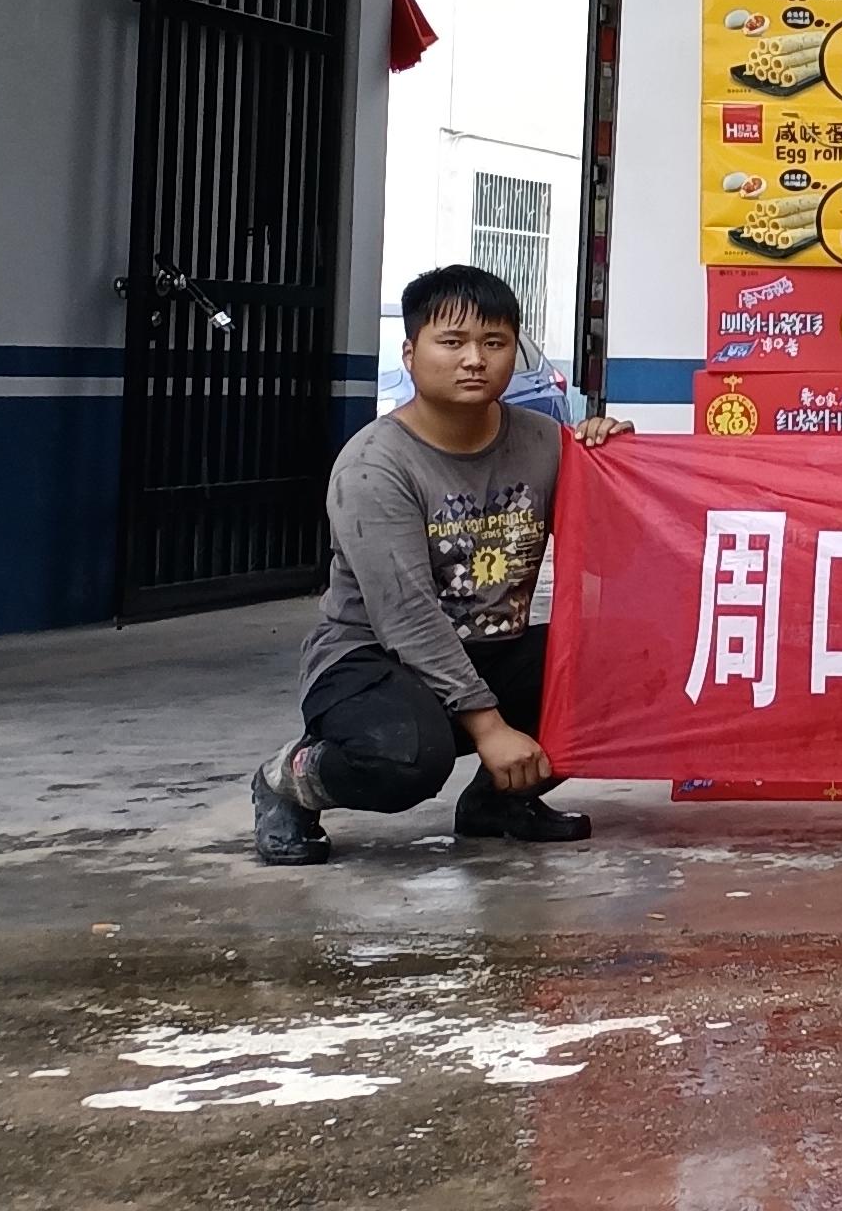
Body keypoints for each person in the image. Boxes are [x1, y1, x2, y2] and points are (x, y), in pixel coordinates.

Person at [249, 265, 627, 865]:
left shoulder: (546, 444)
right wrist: (490, 728)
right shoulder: (374, 466)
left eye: (494, 342)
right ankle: (289, 779)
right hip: (370, 657)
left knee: (621, 666)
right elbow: (406, 617)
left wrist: (611, 459)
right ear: (411, 353)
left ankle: (498, 802)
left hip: (492, 647)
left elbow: (613, 547)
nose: (474, 359)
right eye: (452, 342)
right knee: (406, 760)